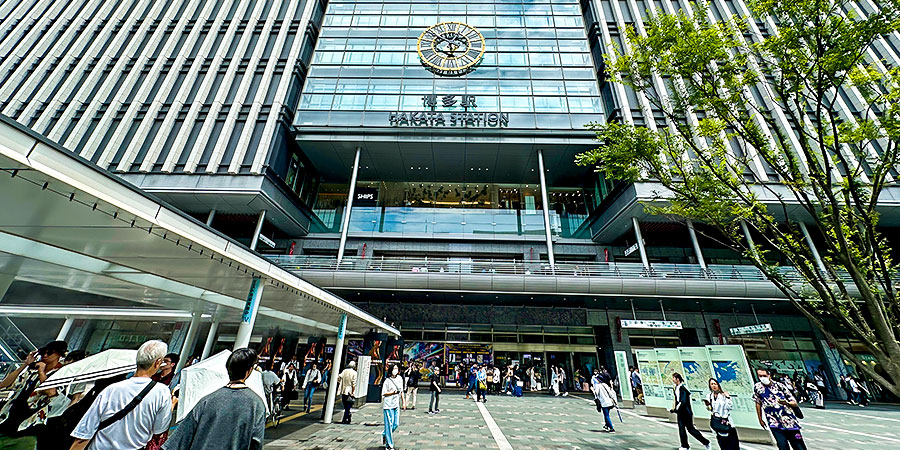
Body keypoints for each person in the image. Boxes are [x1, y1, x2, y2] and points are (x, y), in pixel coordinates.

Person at [70, 340, 172, 450]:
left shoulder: (111, 389)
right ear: (157, 363)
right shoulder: (162, 392)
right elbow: (159, 429)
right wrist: (171, 407)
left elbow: (83, 436)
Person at [162, 348, 265, 450]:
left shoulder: (207, 400)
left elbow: (180, 439)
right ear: (249, 371)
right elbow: (256, 443)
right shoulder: (256, 404)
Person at [0, 340, 67, 449]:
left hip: (29, 428)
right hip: (7, 420)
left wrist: (42, 371)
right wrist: (25, 364)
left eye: (49, 353)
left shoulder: (61, 374)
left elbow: (51, 392)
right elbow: (6, 384)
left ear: (59, 355)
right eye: (43, 353)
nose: (45, 355)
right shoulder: (32, 371)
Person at [753, 368, 807, 450]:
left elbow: (794, 402)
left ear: (769, 375)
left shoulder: (780, 386)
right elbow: (758, 402)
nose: (762, 378)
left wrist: (786, 403)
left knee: (798, 445)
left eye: (764, 375)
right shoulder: (757, 387)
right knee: (782, 446)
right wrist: (760, 419)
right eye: (760, 376)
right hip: (774, 422)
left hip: (790, 422)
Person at [670, 372, 711, 450]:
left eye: (673, 378)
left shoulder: (683, 388)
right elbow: (677, 400)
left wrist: (676, 409)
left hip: (686, 412)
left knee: (690, 429)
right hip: (680, 412)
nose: (672, 380)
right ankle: (684, 445)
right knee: (681, 428)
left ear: (677, 379)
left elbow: (683, 401)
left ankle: (706, 442)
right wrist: (674, 409)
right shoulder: (676, 387)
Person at [705, 378, 739, 450]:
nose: (714, 386)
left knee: (733, 444)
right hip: (716, 422)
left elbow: (729, 407)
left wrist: (728, 397)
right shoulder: (709, 396)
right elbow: (710, 409)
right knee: (722, 444)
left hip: (726, 421)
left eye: (715, 384)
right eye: (712, 384)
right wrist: (708, 406)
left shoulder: (723, 395)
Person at [381, 364, 404, 450]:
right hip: (388, 405)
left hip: (396, 404)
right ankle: (389, 446)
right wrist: (392, 393)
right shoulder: (387, 381)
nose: (396, 370)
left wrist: (404, 402)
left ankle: (384, 434)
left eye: (397, 368)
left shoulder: (400, 379)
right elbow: (384, 393)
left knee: (395, 424)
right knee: (389, 425)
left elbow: (401, 391)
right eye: (394, 368)